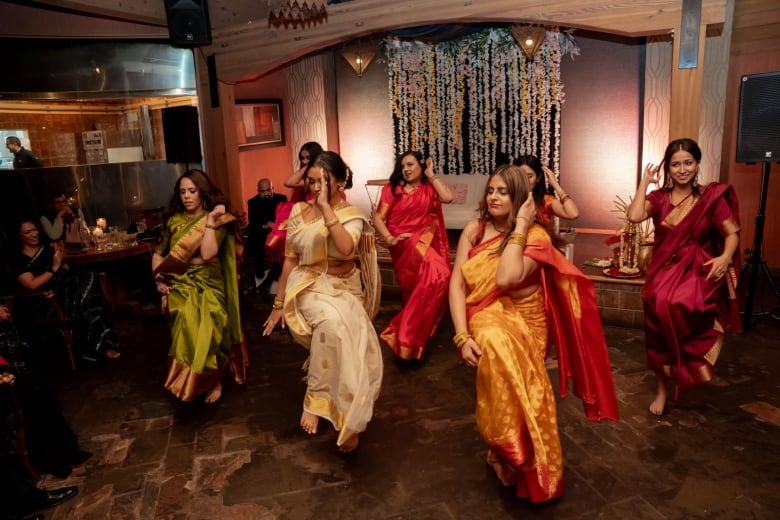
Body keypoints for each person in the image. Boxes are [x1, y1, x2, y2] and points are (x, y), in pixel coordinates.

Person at [449, 164, 619, 502]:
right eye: (492, 190)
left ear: (520, 198)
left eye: (503, 192)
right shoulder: (474, 230)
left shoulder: (537, 237)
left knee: (523, 390)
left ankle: (504, 456)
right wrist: (461, 336)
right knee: (499, 363)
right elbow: (457, 283)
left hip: (529, 320)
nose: (495, 197)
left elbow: (507, 278)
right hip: (486, 314)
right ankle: (507, 448)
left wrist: (523, 225)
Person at [262, 151, 382, 453]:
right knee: (331, 325)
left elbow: (345, 247)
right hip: (309, 285)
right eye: (311, 182)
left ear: (339, 182)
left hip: (345, 288)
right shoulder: (299, 211)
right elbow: (290, 260)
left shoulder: (350, 214)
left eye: (321, 182)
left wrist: (327, 209)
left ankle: (348, 420)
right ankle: (315, 401)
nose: (314, 188)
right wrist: (278, 306)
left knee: (351, 344)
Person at [627, 138, 741, 416]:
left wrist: (725, 258)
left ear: (697, 163)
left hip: (697, 267)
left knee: (679, 306)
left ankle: (687, 363)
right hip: (663, 268)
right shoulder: (659, 198)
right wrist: (645, 182)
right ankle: (662, 389)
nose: (682, 169)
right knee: (659, 314)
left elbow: (732, 234)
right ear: (668, 168)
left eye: (688, 162)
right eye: (675, 164)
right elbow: (634, 215)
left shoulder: (710, 198)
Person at [152, 169, 246, 403]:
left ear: (203, 192)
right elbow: (159, 253)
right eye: (182, 192)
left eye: (192, 191)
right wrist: (158, 279)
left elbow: (207, 253)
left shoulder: (219, 220)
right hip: (180, 281)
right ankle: (191, 380)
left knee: (210, 324)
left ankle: (212, 380)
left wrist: (211, 221)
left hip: (209, 281)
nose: (187, 196)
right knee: (187, 319)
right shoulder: (173, 221)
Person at [372, 151, 453, 360]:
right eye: (403, 165)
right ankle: (409, 335)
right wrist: (389, 239)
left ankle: (410, 333)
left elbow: (448, 197)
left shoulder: (428, 188)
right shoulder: (393, 190)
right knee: (434, 276)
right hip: (403, 241)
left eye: (410, 164)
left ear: (421, 166)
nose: (406, 169)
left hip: (423, 239)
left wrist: (432, 175)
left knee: (432, 278)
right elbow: (378, 217)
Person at [10, 220, 120, 362]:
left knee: (89, 288)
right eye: (27, 232)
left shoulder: (47, 248)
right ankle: (100, 348)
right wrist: (54, 268)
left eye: (34, 230)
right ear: (19, 236)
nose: (33, 234)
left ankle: (100, 347)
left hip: (66, 288)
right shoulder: (19, 259)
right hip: (47, 298)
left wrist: (62, 261)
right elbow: (31, 285)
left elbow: (65, 267)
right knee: (89, 299)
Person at [265, 142, 325, 266]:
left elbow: (289, 183)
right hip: (302, 212)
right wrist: (305, 168)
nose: (304, 161)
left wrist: (308, 167)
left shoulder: (317, 176)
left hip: (314, 213)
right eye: (302, 158)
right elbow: (288, 182)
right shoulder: (306, 175)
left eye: (308, 158)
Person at [246, 178, 287, 297]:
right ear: (258, 191)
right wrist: (266, 225)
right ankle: (259, 273)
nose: (266, 193)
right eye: (263, 191)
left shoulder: (281, 199)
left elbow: (286, 218)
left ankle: (265, 285)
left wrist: (276, 225)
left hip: (279, 231)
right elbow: (253, 222)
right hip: (261, 231)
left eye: (268, 190)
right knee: (256, 234)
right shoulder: (252, 202)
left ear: (272, 189)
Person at [511, 154, 579, 225]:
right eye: (521, 176)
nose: (524, 180)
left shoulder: (546, 201)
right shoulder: (509, 198)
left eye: (529, 176)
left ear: (538, 177)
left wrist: (555, 184)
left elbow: (573, 214)